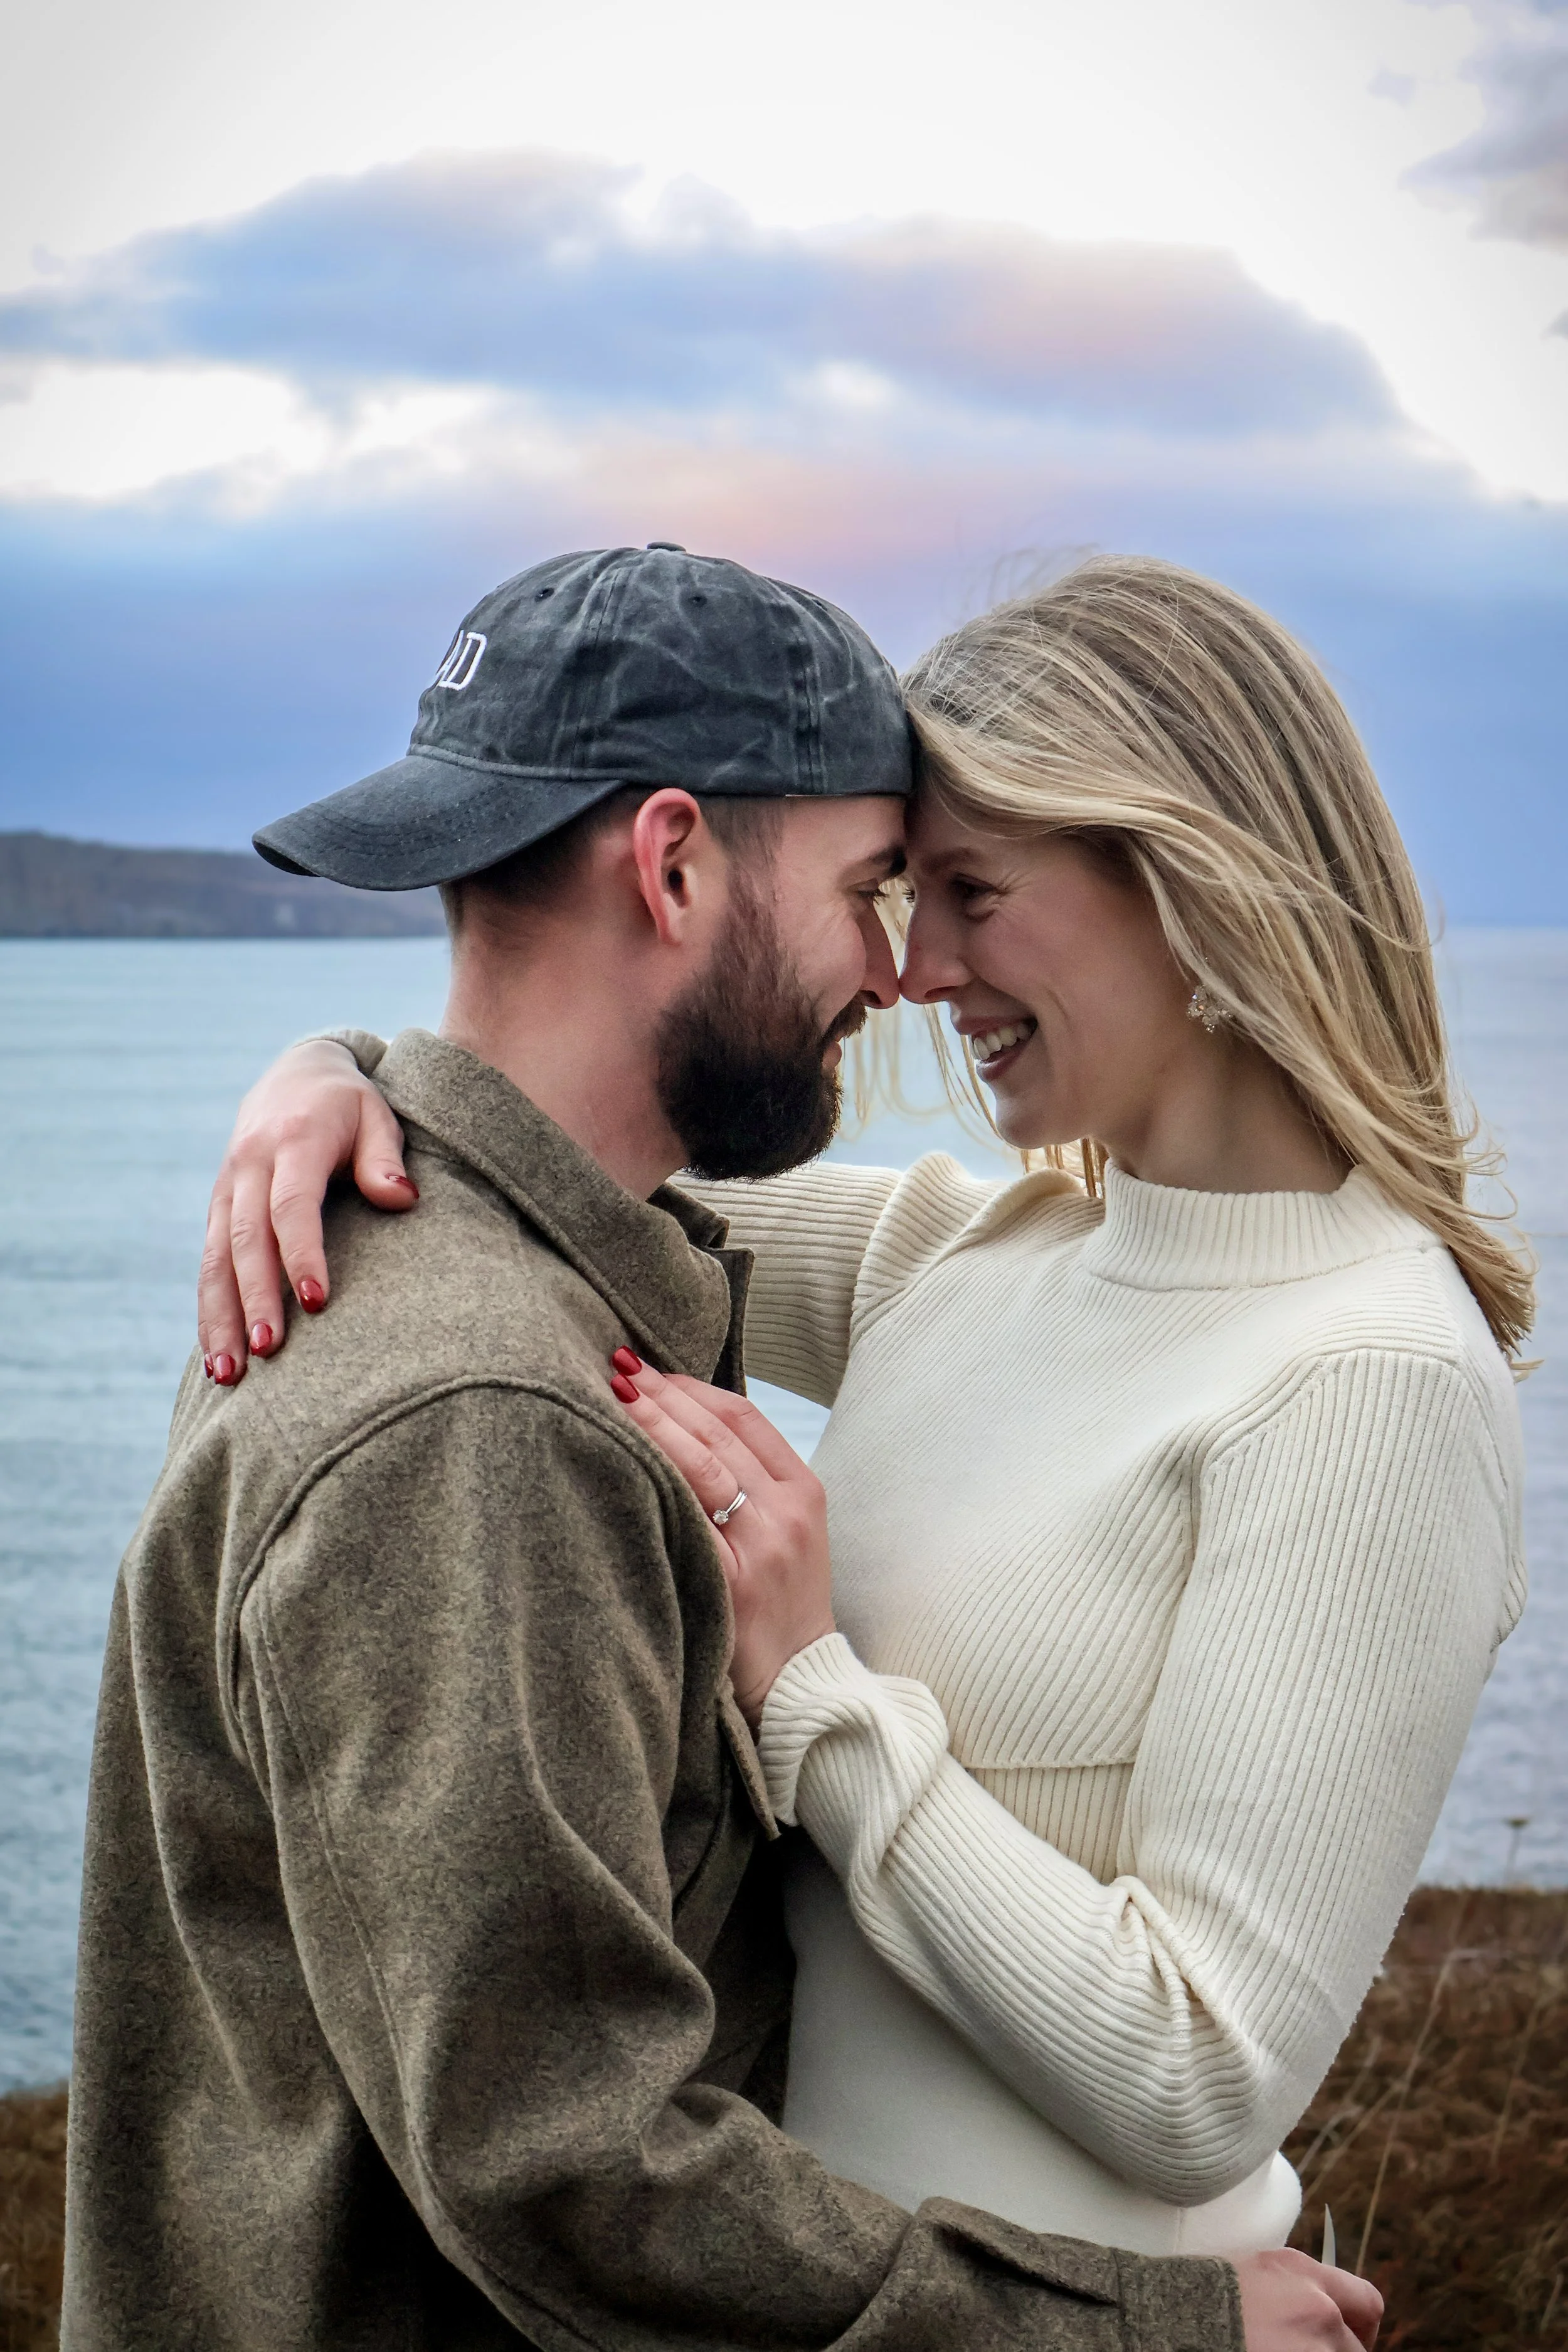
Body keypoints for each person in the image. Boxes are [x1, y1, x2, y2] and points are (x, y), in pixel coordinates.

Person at [68, 546, 1374, 2352]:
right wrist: (1144, 2328)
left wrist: (323, 1057)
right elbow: (576, 2174)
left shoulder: (426, 1245)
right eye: (869, 887)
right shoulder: (480, 1419)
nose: (898, 970)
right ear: (672, 860)